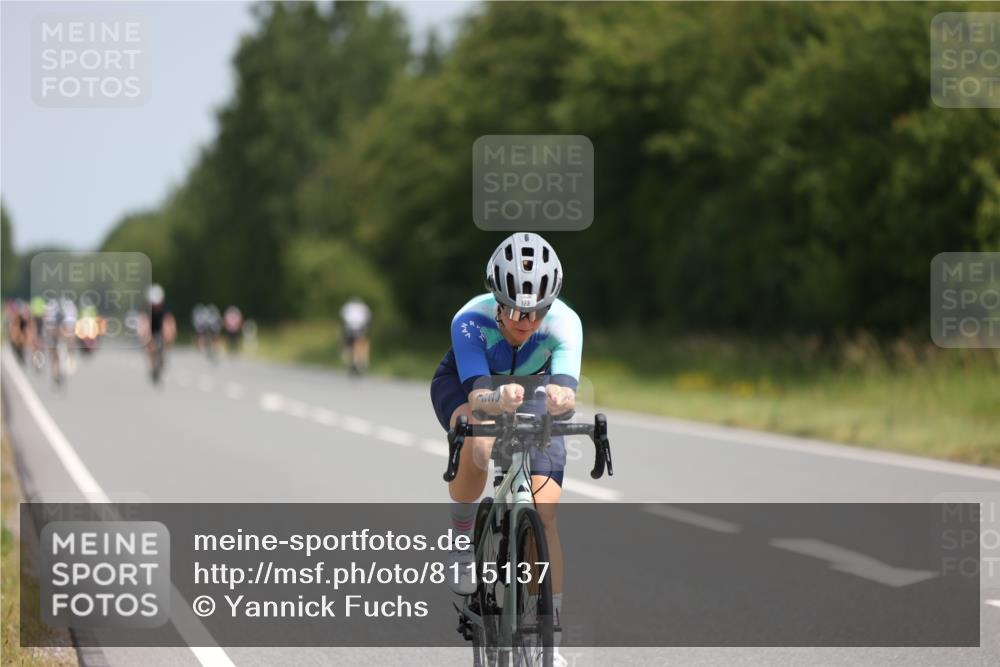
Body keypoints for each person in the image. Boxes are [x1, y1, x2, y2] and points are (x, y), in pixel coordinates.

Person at [430, 232, 580, 659]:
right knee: (478, 443)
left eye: (537, 312)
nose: (525, 321)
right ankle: (462, 536)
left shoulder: (566, 324)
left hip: (533, 388)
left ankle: (549, 635)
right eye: (515, 309)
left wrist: (561, 399)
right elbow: (479, 397)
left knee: (545, 512)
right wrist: (496, 400)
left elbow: (567, 390)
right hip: (468, 386)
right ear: (496, 298)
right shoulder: (469, 320)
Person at [143, 284, 176, 383]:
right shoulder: (146, 309)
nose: (156, 306)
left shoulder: (165, 308)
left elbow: (170, 322)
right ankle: (152, 365)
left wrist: (169, 335)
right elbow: (143, 323)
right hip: (151, 328)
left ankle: (163, 354)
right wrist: (146, 337)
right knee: (149, 345)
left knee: (168, 333)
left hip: (161, 328)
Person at [340, 297, 372, 376]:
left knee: (349, 346)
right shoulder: (363, 307)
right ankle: (359, 362)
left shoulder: (347, 306)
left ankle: (353, 363)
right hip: (359, 328)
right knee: (359, 344)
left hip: (349, 328)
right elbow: (368, 318)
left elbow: (342, 318)